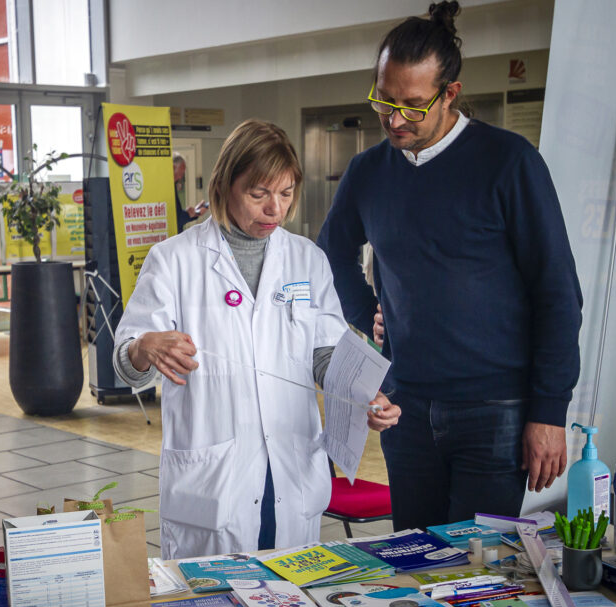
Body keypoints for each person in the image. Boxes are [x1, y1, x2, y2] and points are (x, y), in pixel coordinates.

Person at [317, 1, 582, 531]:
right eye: (384, 100)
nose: (394, 119)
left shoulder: (509, 162)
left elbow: (557, 293)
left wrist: (548, 411)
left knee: (473, 570)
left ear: (450, 94)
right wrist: (367, 312)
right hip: (406, 405)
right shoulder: (369, 172)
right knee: (413, 563)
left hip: (496, 409)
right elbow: (330, 252)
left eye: (412, 105)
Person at [114, 119, 400, 560]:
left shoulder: (307, 258)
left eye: (285, 194)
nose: (275, 210)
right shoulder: (173, 261)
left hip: (291, 466)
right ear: (226, 185)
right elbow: (125, 360)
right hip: (215, 477)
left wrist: (365, 396)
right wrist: (144, 347)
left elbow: (325, 352)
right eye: (259, 193)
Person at [173, 153, 206, 231]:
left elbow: (178, 215)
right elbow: (177, 219)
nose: (181, 177)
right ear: (173, 167)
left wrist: (195, 212)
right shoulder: (167, 187)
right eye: (180, 173)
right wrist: (189, 214)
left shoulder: (173, 186)